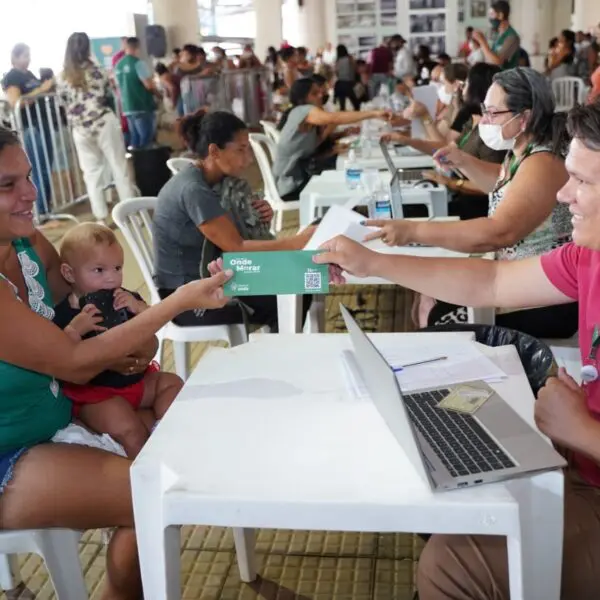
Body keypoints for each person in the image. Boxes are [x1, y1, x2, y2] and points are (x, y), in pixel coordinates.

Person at [313, 100, 600, 600]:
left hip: (587, 478)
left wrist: (583, 432)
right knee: (438, 471)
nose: (563, 193)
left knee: (449, 567)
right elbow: (492, 280)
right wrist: (376, 262)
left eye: (582, 182)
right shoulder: (587, 255)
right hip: (575, 459)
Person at [0, 124, 233, 600]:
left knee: (189, 434)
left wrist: (140, 340)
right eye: (8, 184)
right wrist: (176, 303)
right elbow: (76, 361)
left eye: (28, 175)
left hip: (61, 414)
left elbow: (99, 310)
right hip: (11, 450)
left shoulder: (25, 245)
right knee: (155, 494)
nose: (30, 192)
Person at [366, 67, 577, 339]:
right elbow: (502, 184)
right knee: (427, 295)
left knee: (434, 313)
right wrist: (463, 160)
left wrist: (413, 231)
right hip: (519, 280)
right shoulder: (522, 153)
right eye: (484, 111)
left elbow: (499, 232)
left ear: (524, 118)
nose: (485, 120)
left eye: (493, 113)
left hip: (545, 299)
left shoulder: (542, 162)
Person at [153, 111, 315, 333]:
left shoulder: (215, 181)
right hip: (186, 297)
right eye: (241, 149)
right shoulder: (194, 189)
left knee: (302, 281)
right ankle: (276, 360)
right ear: (214, 151)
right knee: (287, 295)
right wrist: (299, 241)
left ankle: (280, 353)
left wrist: (258, 215)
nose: (248, 159)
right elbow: (237, 247)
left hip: (216, 275)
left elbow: (234, 234)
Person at [53, 223, 183, 457]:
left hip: (137, 382)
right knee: (130, 428)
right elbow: (60, 355)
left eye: (117, 268)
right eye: (99, 270)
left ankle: (166, 431)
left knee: (172, 383)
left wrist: (140, 308)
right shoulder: (64, 313)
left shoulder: (126, 297)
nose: (112, 278)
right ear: (70, 273)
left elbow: (155, 324)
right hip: (97, 394)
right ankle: (146, 469)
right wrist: (74, 329)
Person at [385, 63, 506, 220]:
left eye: (466, 84)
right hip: (458, 196)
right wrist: (404, 140)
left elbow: (493, 184)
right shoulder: (472, 121)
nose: (461, 88)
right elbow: (444, 149)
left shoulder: (492, 132)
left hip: (475, 209)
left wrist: (451, 183)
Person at [58, 32, 137, 223]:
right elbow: (109, 93)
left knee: (91, 174)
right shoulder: (98, 71)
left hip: (80, 129)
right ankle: (131, 215)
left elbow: (62, 103)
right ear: (87, 48)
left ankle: (101, 218)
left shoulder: (61, 77)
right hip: (103, 122)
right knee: (119, 168)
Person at [273, 78, 390, 200]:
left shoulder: (302, 115)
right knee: (347, 181)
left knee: (348, 177)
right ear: (302, 98)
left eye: (320, 92)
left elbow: (314, 144)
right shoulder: (303, 111)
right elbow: (334, 118)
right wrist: (374, 113)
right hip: (291, 185)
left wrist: (338, 138)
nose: (320, 95)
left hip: (297, 178)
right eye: (314, 93)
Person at [2, 43, 55, 217]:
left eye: (29, 55)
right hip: (29, 126)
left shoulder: (30, 74)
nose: (28, 59)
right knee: (37, 169)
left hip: (42, 123)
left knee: (46, 167)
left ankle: (47, 209)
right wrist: (41, 90)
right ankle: (41, 212)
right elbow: (15, 101)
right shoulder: (12, 77)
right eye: (24, 56)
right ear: (15, 57)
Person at [402, 62, 469, 142]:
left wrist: (425, 115)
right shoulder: (452, 106)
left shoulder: (463, 111)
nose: (442, 87)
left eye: (443, 83)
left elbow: (442, 145)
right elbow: (434, 135)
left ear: (456, 84)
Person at [113, 37, 158, 148]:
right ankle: (146, 163)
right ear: (137, 47)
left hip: (127, 107)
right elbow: (148, 85)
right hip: (142, 105)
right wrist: (158, 94)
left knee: (135, 137)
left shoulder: (118, 65)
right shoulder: (138, 63)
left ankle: (137, 163)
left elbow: (117, 85)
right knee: (146, 137)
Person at [472, 1, 521, 70]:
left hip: (507, 78)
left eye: (492, 14)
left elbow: (497, 61)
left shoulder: (512, 37)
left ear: (501, 15)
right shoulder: (496, 34)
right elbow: (489, 56)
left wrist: (482, 41)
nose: (490, 18)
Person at [334, 45, 359, 111]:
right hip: (349, 82)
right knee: (355, 103)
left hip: (341, 83)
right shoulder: (350, 58)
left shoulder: (337, 60)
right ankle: (357, 117)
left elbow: (336, 72)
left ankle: (344, 118)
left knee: (342, 105)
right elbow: (355, 68)